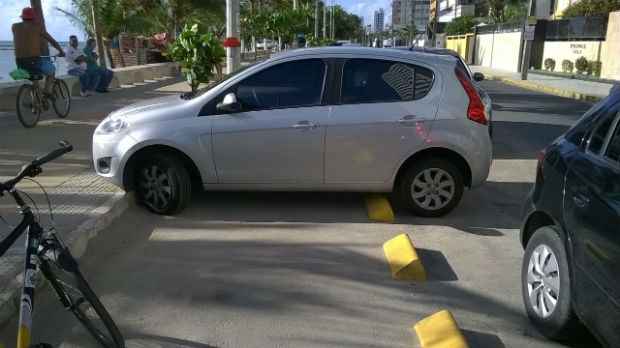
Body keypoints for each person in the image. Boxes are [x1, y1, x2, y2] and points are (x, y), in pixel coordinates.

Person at [11, 7, 65, 96]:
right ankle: (47, 92)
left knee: (34, 78)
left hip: (19, 62)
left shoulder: (15, 26)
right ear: (33, 18)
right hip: (34, 61)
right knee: (52, 71)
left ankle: (36, 102)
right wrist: (61, 51)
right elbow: (52, 41)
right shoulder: (37, 27)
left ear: (22, 17)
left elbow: (23, 39)